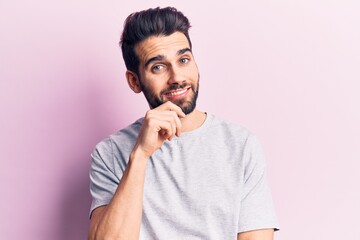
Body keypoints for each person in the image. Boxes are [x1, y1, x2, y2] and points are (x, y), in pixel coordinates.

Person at [88, 6, 279, 240]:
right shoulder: (110, 153)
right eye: (158, 67)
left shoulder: (240, 145)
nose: (177, 77)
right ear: (134, 81)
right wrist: (140, 155)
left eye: (184, 59)